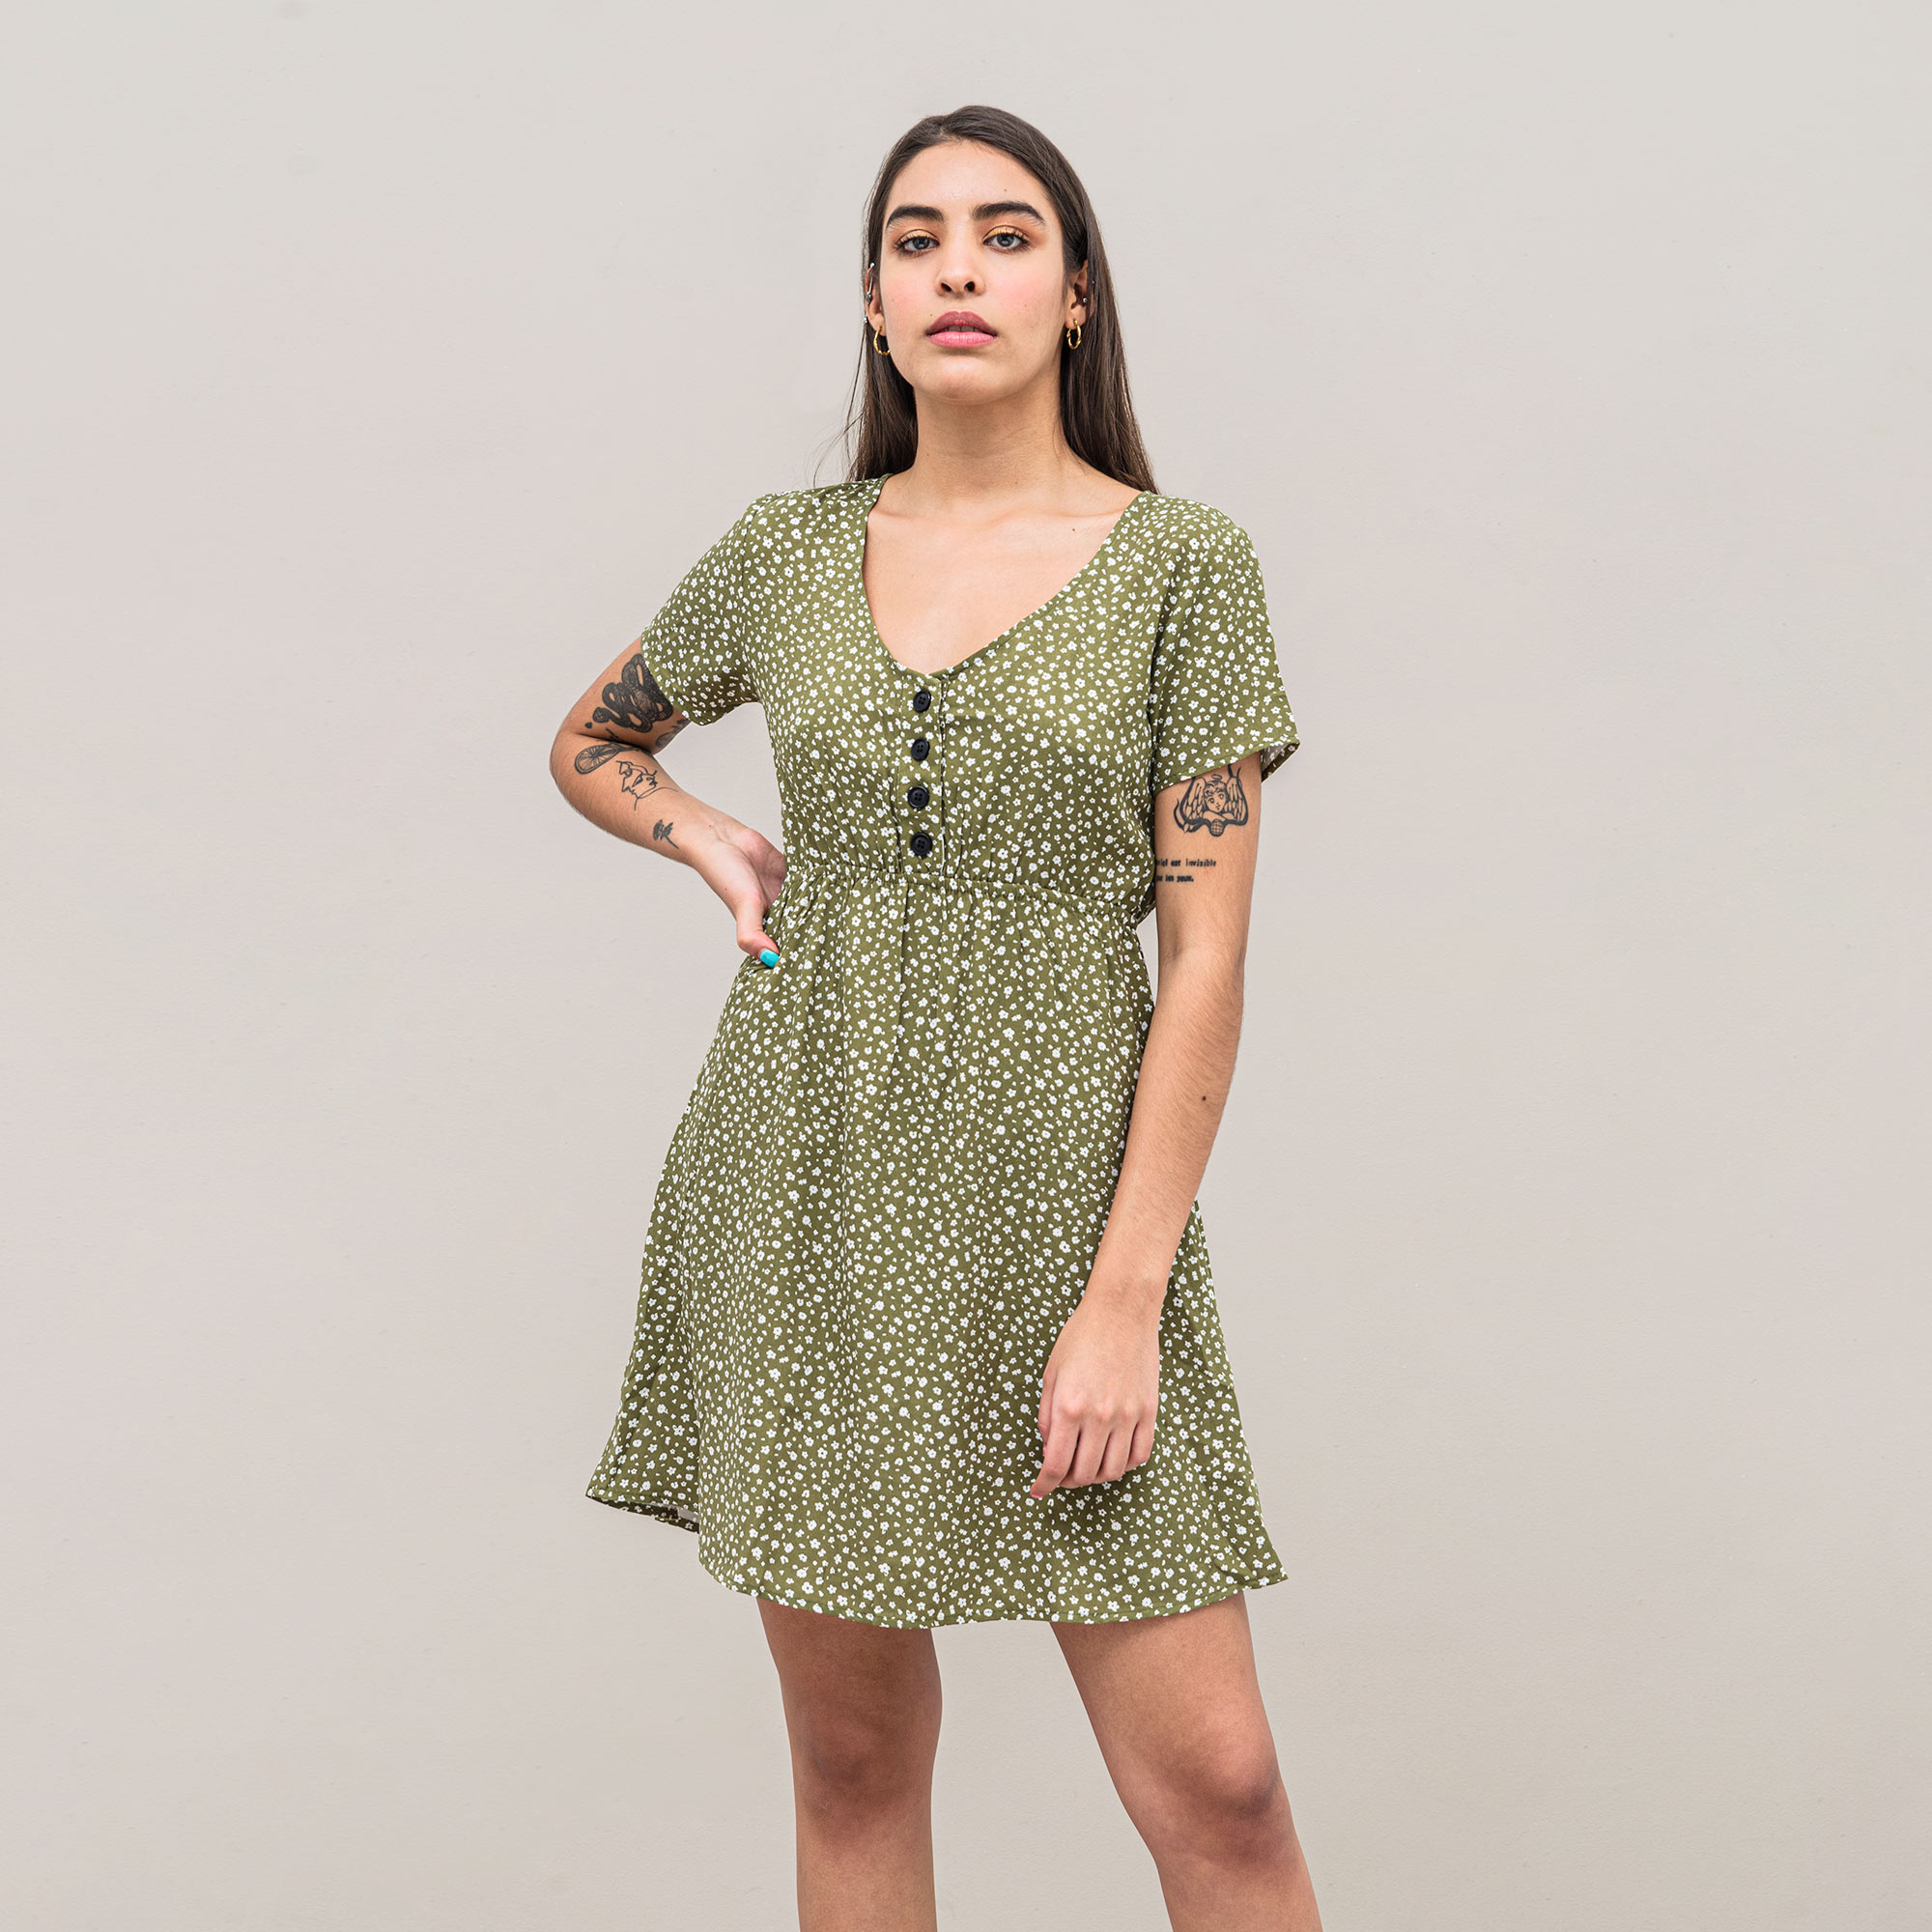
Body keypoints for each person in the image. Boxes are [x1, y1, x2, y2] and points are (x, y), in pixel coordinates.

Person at [551, 103, 1322, 1931]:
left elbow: (1208, 964)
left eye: (1005, 234)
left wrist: (1123, 1301)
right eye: (917, 239)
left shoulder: (1184, 567)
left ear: (1076, 294)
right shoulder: (785, 550)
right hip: (804, 1196)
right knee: (852, 1762)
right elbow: (593, 742)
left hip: (1066, 1217)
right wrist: (701, 830)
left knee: (1220, 1792)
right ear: (875, 299)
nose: (957, 269)